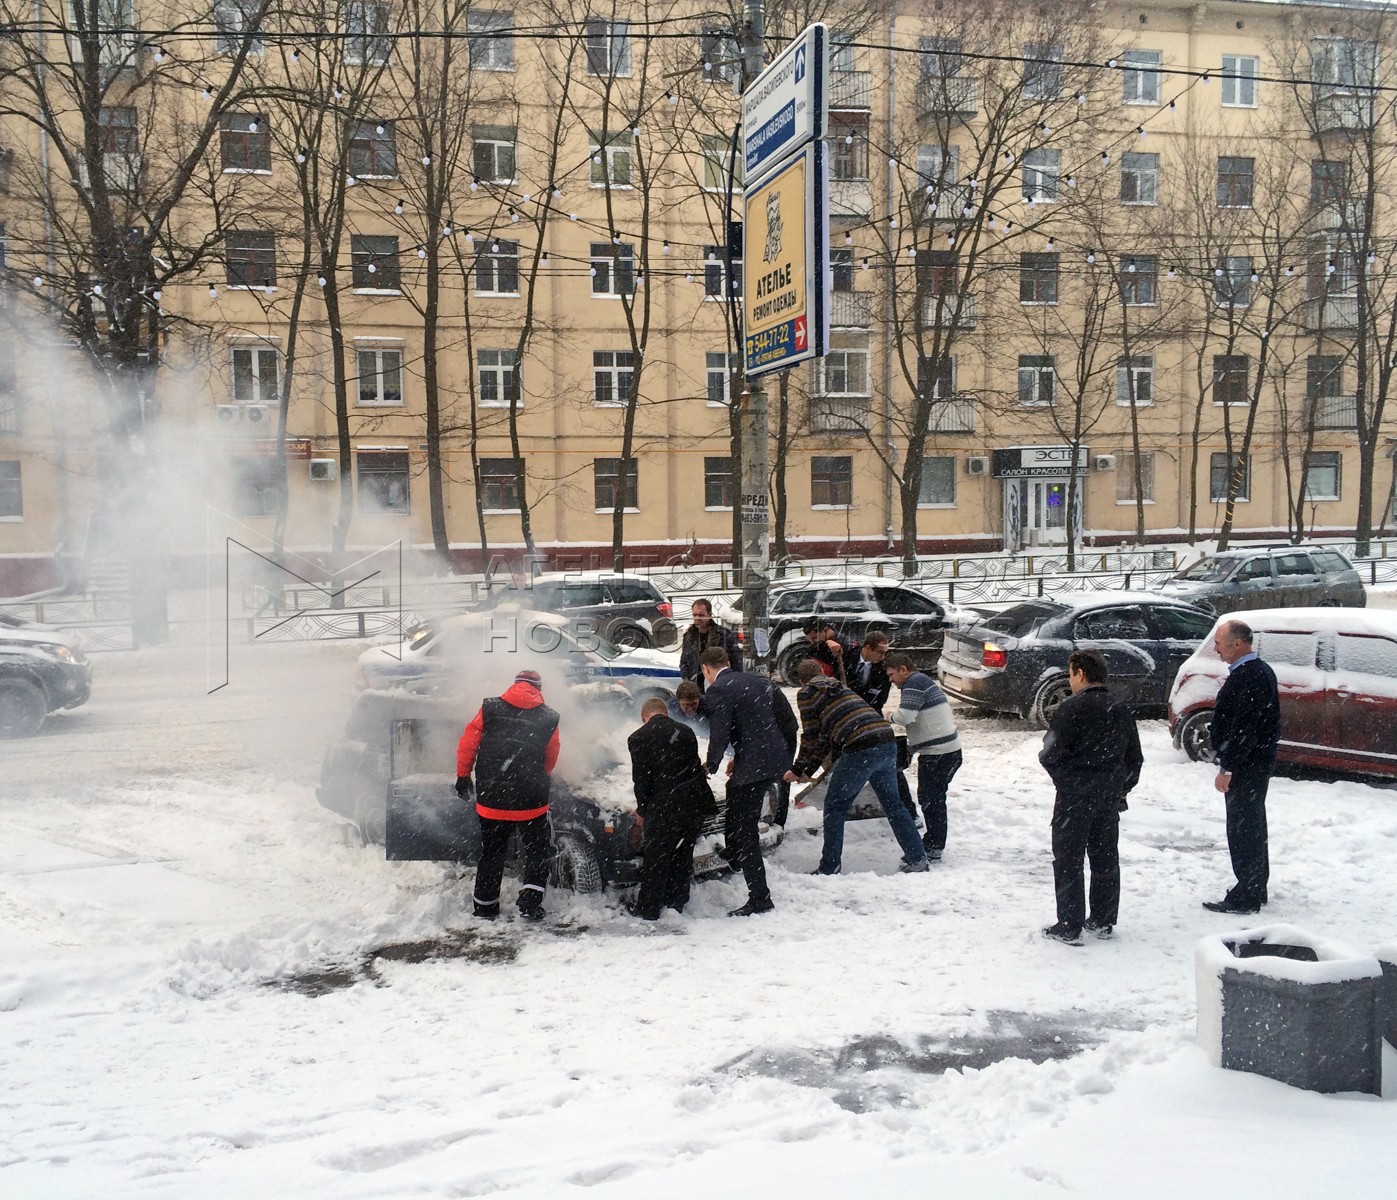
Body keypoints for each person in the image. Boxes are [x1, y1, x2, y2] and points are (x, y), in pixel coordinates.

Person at [785, 659, 931, 876]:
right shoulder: (840, 687)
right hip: (886, 740)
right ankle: (918, 859)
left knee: (835, 807)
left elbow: (811, 735)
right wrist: (809, 768)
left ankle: (829, 867)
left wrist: (797, 769)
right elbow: (826, 737)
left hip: (861, 747)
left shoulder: (807, 692)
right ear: (822, 672)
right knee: (894, 805)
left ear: (801, 680)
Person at [1038, 650, 1143, 945]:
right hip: (1108, 797)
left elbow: (1050, 753)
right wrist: (1120, 788)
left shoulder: (1071, 708)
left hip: (1075, 797)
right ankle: (1103, 919)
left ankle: (1070, 923)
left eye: (1071, 674)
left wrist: (1069, 783)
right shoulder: (1120, 708)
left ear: (1081, 674)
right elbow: (1134, 758)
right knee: (1105, 857)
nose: (1070, 680)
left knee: (1069, 858)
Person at [456, 668, 560, 922]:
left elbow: (468, 742)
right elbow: (552, 755)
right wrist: (538, 776)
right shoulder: (549, 717)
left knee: (492, 852)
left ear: (514, 685)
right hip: (531, 801)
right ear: (539, 689)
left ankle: (485, 905)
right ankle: (530, 902)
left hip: (492, 797)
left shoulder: (490, 708)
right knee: (537, 850)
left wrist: (462, 775)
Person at [702, 646, 794, 916]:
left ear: (707, 669)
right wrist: (783, 755)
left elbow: (720, 731)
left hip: (754, 766)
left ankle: (760, 897)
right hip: (773, 760)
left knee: (746, 829)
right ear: (728, 662)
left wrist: (711, 764)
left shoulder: (718, 689)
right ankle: (734, 853)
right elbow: (786, 719)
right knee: (736, 796)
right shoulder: (759, 680)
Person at [1203, 619, 1281, 916]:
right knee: (1252, 825)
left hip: (1247, 766)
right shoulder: (1256, 672)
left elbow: (1244, 728)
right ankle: (1255, 886)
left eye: (1220, 643)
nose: (1216, 648)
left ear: (1237, 644)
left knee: (1243, 828)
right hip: (1255, 763)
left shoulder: (1249, 676)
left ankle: (1246, 894)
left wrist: (1228, 768)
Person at [627, 696, 718, 920]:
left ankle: (648, 909)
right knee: (682, 853)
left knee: (656, 857)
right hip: (692, 803)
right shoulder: (685, 731)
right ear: (667, 713)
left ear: (643, 718)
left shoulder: (638, 737)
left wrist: (642, 809)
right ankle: (677, 901)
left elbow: (642, 779)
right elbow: (692, 767)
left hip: (664, 805)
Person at [886, 652, 962, 862]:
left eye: (892, 675)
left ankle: (934, 846)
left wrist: (887, 717)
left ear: (903, 669)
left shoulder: (913, 682)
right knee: (933, 799)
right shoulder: (921, 681)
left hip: (939, 754)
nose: (891, 681)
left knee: (932, 801)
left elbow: (906, 716)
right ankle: (934, 842)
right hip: (946, 751)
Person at [679, 599, 743, 690]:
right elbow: (684, 662)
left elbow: (736, 662)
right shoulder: (689, 637)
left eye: (701, 615)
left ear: (709, 615)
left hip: (721, 686)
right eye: (694, 615)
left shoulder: (723, 635)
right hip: (697, 687)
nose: (697, 618)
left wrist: (733, 684)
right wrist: (687, 682)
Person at [803, 617, 858, 684]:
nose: (812, 643)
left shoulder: (846, 646)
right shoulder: (820, 644)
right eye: (809, 640)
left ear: (825, 630)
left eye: (815, 638)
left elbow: (847, 674)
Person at [848, 631, 893, 712]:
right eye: (880, 652)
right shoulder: (847, 656)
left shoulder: (883, 669)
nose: (882, 657)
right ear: (867, 648)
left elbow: (881, 699)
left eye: (885, 653)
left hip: (868, 711)